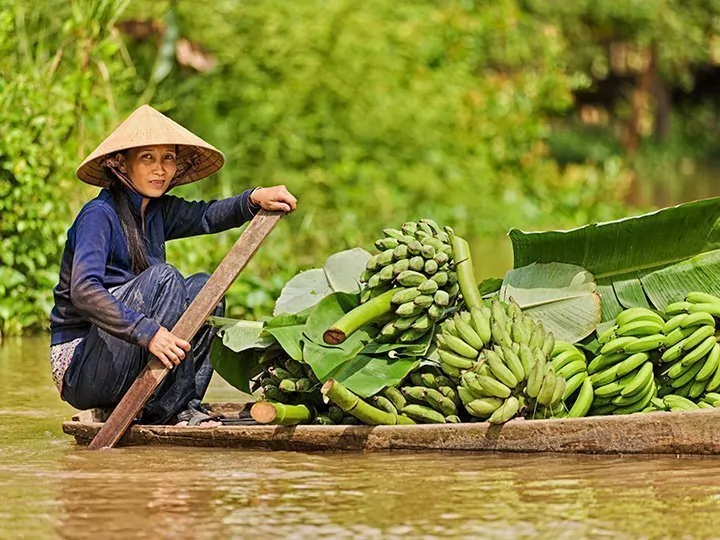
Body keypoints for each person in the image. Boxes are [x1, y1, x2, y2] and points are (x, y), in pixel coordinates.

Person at [49, 104, 297, 425]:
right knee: (165, 278)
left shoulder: (158, 211)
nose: (160, 169)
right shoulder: (99, 215)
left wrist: (253, 198)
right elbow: (83, 291)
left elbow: (207, 215)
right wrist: (148, 332)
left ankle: (182, 402)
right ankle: (175, 409)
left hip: (125, 354)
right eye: (148, 158)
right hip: (82, 365)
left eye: (168, 158)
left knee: (205, 290)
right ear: (119, 164)